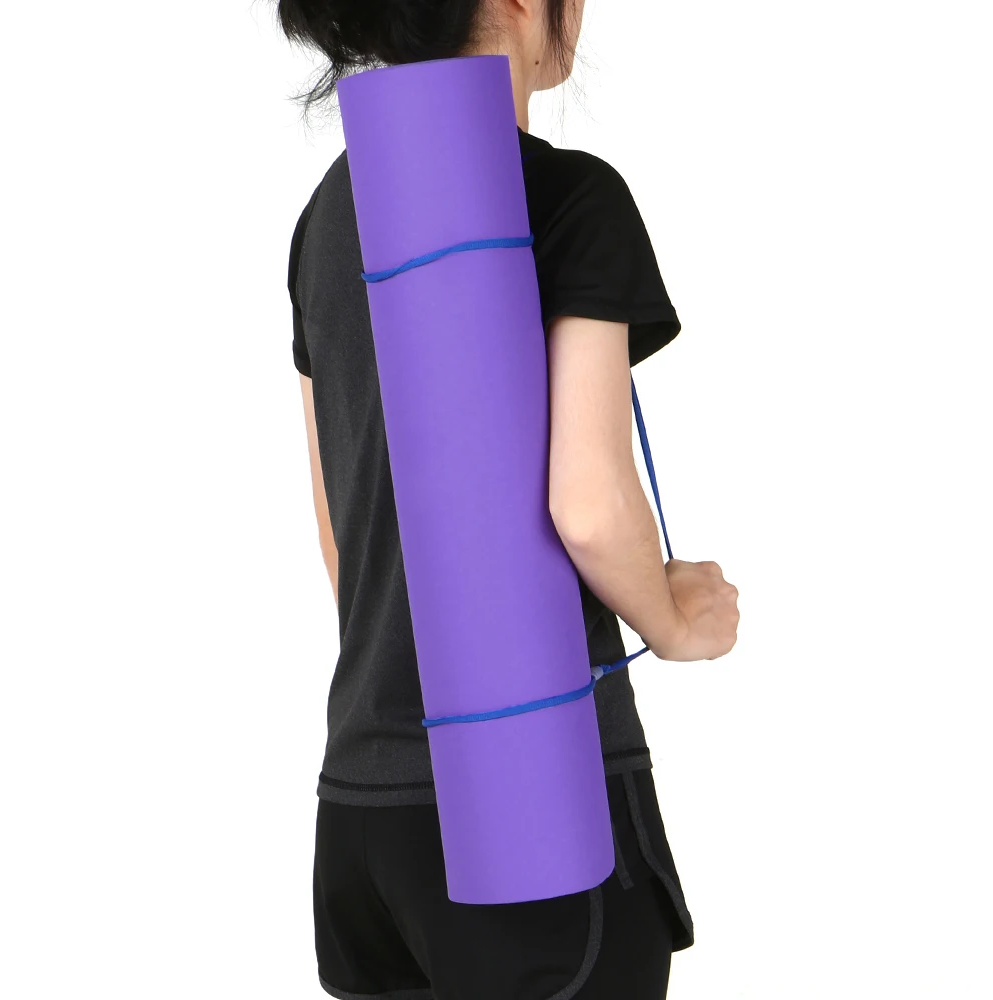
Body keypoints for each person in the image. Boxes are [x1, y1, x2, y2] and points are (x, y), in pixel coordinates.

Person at [278, 0, 740, 996]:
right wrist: (675, 618)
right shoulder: (572, 197)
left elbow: (343, 539)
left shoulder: (327, 216)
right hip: (534, 813)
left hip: (363, 822)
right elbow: (588, 502)